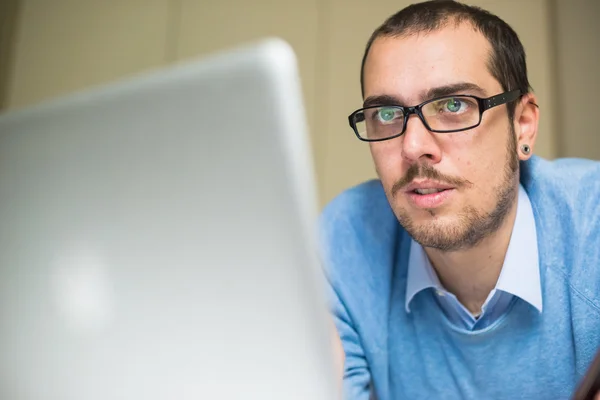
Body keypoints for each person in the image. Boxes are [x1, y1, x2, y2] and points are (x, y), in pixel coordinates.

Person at [319, 1, 600, 399]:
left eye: (454, 105)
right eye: (385, 114)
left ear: (523, 125)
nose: (413, 146)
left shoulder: (593, 227)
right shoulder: (347, 240)